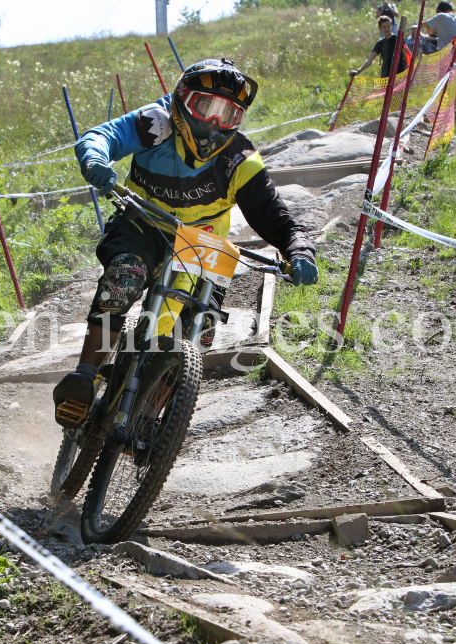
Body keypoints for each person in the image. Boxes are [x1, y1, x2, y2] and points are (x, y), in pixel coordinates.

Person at [52, 59, 318, 428]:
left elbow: (276, 217)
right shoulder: (155, 124)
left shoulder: (239, 159)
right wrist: (95, 157)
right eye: (205, 106)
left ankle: (148, 419)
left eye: (229, 114)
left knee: (200, 328)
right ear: (181, 100)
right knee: (124, 278)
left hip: (202, 244)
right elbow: (102, 136)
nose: (213, 122)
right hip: (143, 222)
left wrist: (299, 249)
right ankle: (83, 376)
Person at [423, 2, 456, 124]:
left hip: (447, 61)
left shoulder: (441, 17)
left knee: (443, 88)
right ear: (452, 10)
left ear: (439, 10)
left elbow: (422, 24)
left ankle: (441, 116)